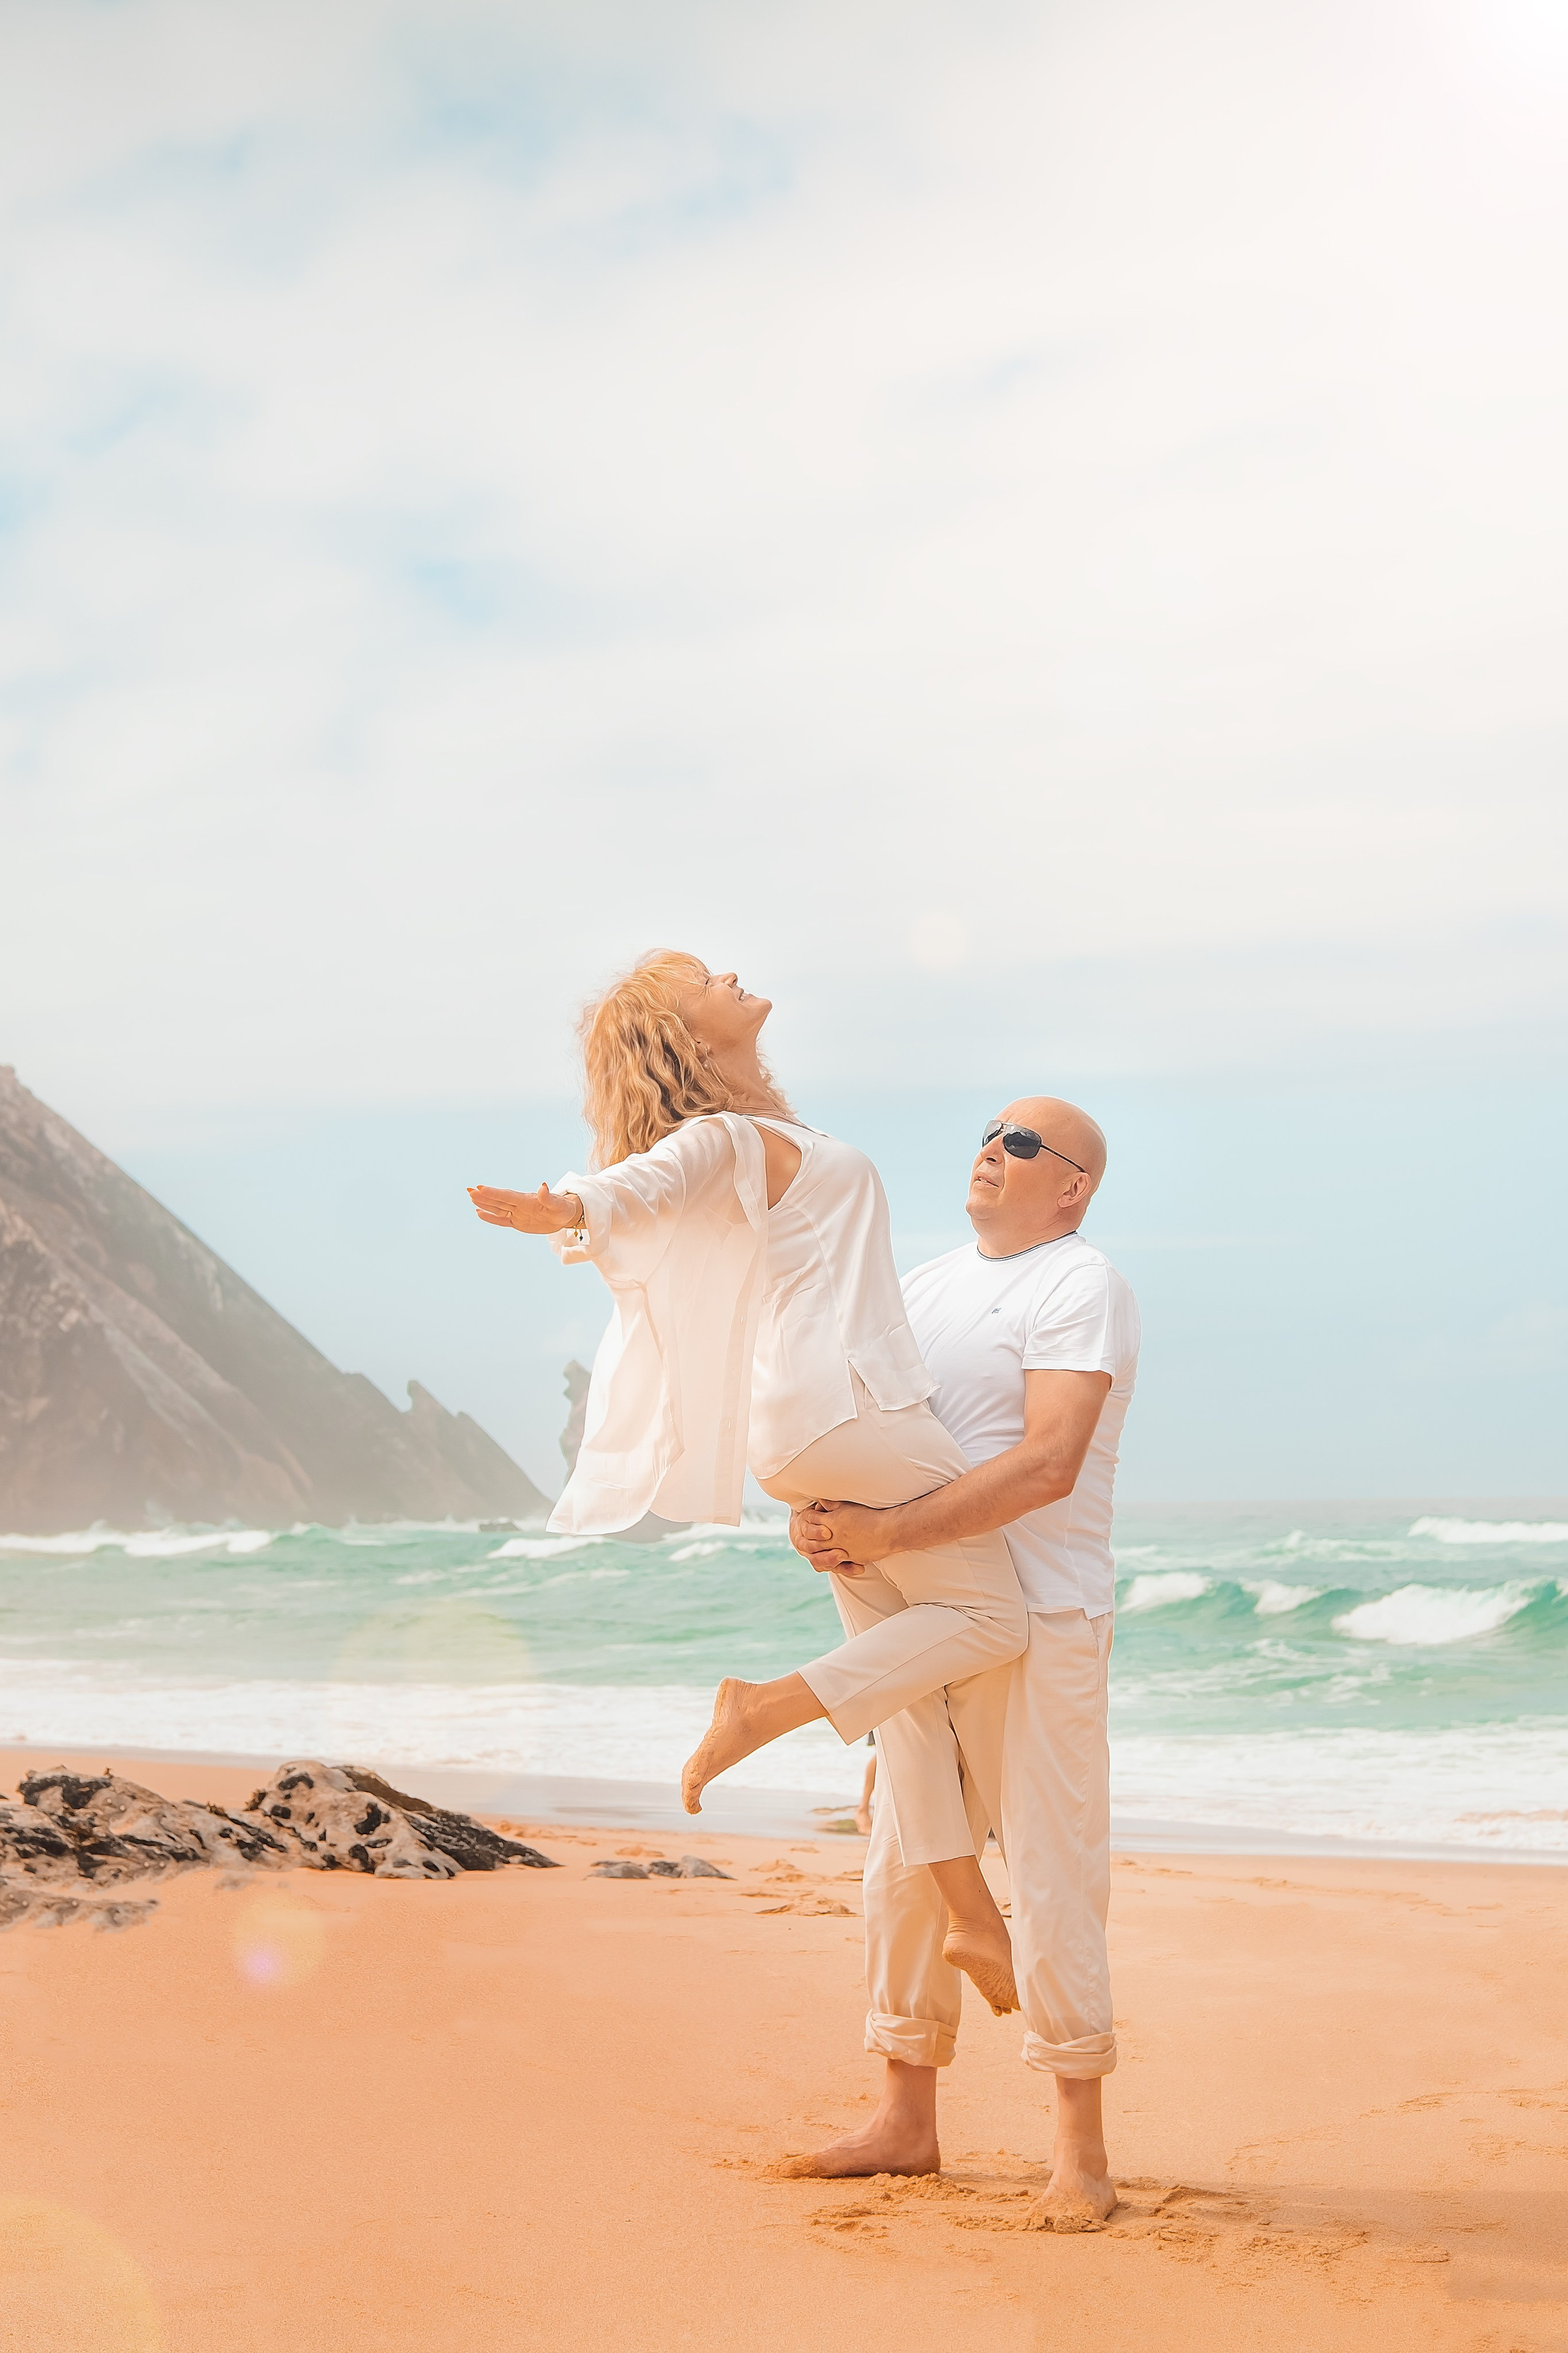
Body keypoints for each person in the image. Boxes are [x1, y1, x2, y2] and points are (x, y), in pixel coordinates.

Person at [467, 952, 1028, 2008]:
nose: (728, 973)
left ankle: (970, 1916)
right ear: (687, 1036)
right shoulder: (726, 1136)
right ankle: (763, 1706)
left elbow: (657, 1184)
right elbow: (644, 1182)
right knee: (995, 1616)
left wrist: (580, 1207)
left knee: (901, 1685)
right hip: (858, 1410)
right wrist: (569, 1207)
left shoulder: (764, 1134)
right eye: (701, 980)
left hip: (801, 1433)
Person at [784, 1099, 1139, 2232]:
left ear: (1073, 1185)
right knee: (899, 1866)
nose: (994, 1148)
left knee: (1052, 1870)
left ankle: (1080, 2150)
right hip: (922, 1611)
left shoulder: (1080, 1283)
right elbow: (879, 1440)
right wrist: (827, 1519)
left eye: (1024, 1142)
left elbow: (1048, 1462)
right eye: (990, 1131)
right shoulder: (924, 1286)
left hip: (1044, 1614)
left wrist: (889, 1530)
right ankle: (905, 2118)